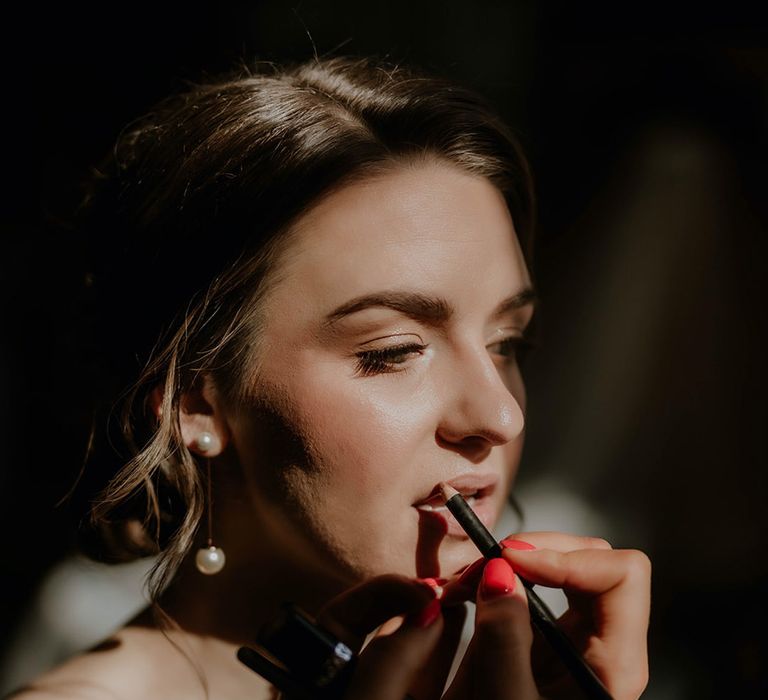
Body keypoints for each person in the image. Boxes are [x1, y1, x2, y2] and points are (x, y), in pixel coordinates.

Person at [9, 56, 650, 699]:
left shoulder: (518, 673)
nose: (500, 415)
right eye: (394, 351)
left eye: (507, 342)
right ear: (197, 405)